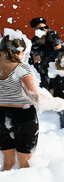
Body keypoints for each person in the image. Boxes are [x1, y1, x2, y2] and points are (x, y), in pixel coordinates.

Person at [0, 35, 40, 170]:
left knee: (8, 163)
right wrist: (54, 103)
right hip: (23, 116)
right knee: (25, 164)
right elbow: (34, 95)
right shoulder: (22, 69)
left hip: (1, 116)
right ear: (19, 51)